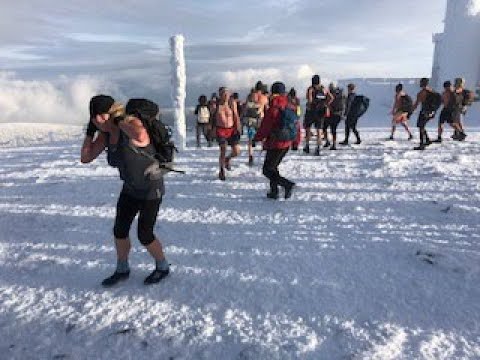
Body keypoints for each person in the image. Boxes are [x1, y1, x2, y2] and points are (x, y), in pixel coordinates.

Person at [81, 95, 170, 286]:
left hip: (150, 188)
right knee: (120, 230)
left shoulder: (129, 123)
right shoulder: (105, 135)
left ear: (111, 113)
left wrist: (120, 121)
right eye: (93, 117)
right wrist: (90, 133)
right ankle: (122, 268)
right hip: (129, 188)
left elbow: (140, 135)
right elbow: (86, 157)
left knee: (145, 234)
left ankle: (162, 266)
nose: (98, 120)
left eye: (101, 115)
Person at [254, 82, 300, 200]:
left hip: (275, 143)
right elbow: (297, 125)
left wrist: (257, 138)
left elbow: (266, 126)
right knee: (273, 167)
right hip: (287, 142)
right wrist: (296, 141)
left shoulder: (273, 107)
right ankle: (274, 191)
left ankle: (287, 185)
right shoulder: (290, 106)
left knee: (267, 170)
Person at [303, 75, 334, 155]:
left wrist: (310, 101)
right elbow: (331, 98)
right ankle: (318, 147)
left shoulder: (311, 89)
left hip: (311, 111)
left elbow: (309, 99)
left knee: (308, 129)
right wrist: (325, 104)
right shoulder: (324, 89)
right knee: (319, 130)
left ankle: (307, 146)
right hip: (321, 111)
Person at [216, 87, 241, 181]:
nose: (225, 96)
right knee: (223, 149)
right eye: (223, 94)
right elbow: (212, 118)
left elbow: (236, 116)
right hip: (221, 130)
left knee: (237, 151)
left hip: (231, 130)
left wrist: (238, 127)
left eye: (227, 94)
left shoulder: (232, 103)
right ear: (220, 95)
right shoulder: (216, 105)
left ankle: (228, 159)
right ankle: (221, 170)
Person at [412, 78, 434, 150]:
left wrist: (410, 110)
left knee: (421, 126)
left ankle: (422, 144)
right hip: (431, 111)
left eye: (420, 82)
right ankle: (427, 140)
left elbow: (416, 105)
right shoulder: (432, 91)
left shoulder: (421, 93)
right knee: (422, 126)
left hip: (424, 111)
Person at [325, 85, 345, 149]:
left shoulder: (330, 96)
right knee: (333, 129)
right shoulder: (341, 95)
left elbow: (327, 104)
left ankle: (328, 142)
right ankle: (333, 144)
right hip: (338, 115)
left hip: (332, 114)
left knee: (324, 127)